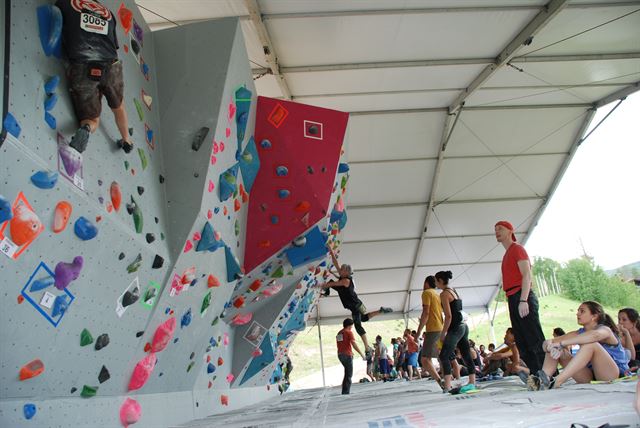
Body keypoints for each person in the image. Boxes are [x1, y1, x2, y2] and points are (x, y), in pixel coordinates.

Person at [56, 0, 133, 154]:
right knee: (118, 106)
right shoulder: (108, 14)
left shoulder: (64, 4)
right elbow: (113, 45)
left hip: (82, 66)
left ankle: (87, 127)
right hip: (110, 66)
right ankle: (127, 141)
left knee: (92, 118)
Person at [529, 301, 629, 390]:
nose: (577, 314)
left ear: (594, 316)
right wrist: (550, 347)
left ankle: (557, 381)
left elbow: (595, 336)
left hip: (610, 375)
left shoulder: (605, 330)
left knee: (591, 344)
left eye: (582, 311)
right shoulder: (579, 333)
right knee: (555, 347)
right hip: (588, 376)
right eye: (578, 311)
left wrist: (561, 343)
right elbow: (547, 342)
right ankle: (543, 379)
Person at [318, 245, 392, 353]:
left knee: (358, 326)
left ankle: (367, 347)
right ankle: (380, 310)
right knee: (364, 318)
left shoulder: (346, 281)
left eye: (342, 270)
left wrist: (319, 285)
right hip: (357, 303)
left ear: (346, 272)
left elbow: (335, 283)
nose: (340, 270)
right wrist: (331, 251)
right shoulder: (344, 275)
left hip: (355, 306)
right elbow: (336, 263)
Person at [495, 220, 546, 374]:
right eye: (495, 229)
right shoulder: (507, 254)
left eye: (500, 229)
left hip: (521, 295)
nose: (497, 232)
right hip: (512, 297)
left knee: (533, 337)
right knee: (522, 340)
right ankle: (535, 373)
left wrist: (523, 299)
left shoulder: (517, 249)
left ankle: (548, 373)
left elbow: (526, 275)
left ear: (510, 231)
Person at [436, 270, 476, 392]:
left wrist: (443, 333)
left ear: (441, 281)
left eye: (436, 281)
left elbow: (448, 316)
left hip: (456, 328)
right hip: (463, 326)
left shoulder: (444, 294)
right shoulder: (454, 291)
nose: (436, 284)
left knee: (444, 355)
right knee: (465, 354)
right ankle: (472, 382)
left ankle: (447, 386)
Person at [415, 275, 444, 386]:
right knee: (437, 357)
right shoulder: (437, 295)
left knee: (425, 359)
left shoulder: (426, 293)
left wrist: (418, 333)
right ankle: (445, 378)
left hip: (433, 328)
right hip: (439, 326)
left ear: (426, 283)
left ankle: (440, 380)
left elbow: (426, 312)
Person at [336, 318, 365, 395]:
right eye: (351, 326)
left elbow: (340, 344)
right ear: (349, 325)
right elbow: (354, 344)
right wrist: (361, 354)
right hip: (347, 354)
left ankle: (344, 391)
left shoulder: (339, 333)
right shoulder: (349, 332)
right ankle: (346, 392)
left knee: (346, 373)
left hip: (340, 354)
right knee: (349, 374)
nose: (352, 328)